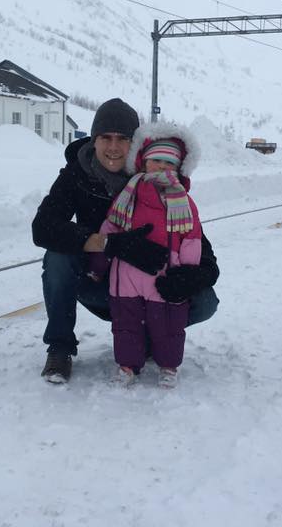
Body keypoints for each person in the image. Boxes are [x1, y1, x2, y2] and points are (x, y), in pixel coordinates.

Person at [32, 98, 220, 384]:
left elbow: (198, 243)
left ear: (135, 144)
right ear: (94, 140)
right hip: (99, 283)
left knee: (205, 301)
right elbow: (43, 228)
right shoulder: (77, 174)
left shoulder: (154, 176)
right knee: (57, 257)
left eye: (123, 139)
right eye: (105, 138)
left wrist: (197, 275)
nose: (113, 147)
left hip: (150, 289)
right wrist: (109, 244)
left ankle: (146, 336)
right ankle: (60, 347)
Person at [96, 123, 203, 388]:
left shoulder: (183, 202)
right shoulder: (128, 195)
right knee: (126, 324)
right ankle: (127, 365)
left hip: (165, 275)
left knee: (168, 325)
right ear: (143, 163)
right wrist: (99, 263)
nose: (163, 167)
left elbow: (192, 237)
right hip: (126, 275)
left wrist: (187, 274)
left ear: (179, 168)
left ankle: (168, 365)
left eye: (170, 163)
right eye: (156, 160)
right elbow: (110, 228)